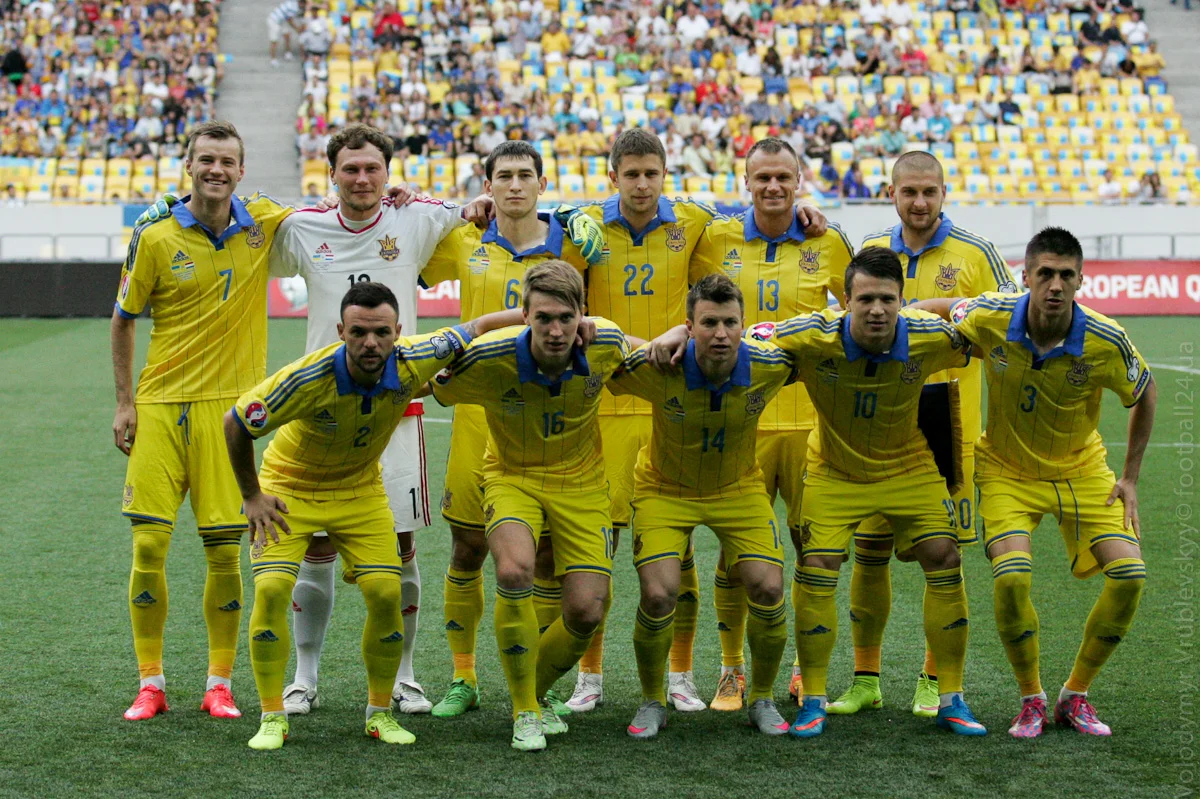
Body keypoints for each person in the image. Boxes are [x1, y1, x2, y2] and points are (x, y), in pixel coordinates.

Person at [563, 128, 828, 714]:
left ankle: (680, 675)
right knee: (600, 547)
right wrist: (479, 206)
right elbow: (547, 248)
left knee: (679, 553)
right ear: (612, 176)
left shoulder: (697, 221)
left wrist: (802, 210)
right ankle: (589, 675)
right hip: (611, 401)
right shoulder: (583, 225)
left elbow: (751, 229)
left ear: (665, 175)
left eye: (650, 174)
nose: (641, 185)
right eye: (630, 174)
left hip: (676, 393)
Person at [225, 282, 510, 750]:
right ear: (341, 331)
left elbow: (478, 327)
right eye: (358, 332)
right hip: (290, 488)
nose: (371, 343)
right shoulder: (306, 377)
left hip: (359, 490)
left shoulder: (417, 356)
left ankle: (379, 714)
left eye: (381, 332)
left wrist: (545, 318)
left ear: (399, 330)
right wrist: (252, 495)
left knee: (385, 593)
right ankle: (272, 716)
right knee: (272, 590)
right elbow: (236, 423)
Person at [923, 227, 1154, 738]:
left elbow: (1145, 391)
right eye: (1045, 273)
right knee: (1011, 578)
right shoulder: (991, 314)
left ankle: (1076, 695)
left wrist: (1131, 477)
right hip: (1007, 471)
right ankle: (1031, 698)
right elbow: (943, 308)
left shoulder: (1106, 338)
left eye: (1066, 275)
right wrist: (895, 314)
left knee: (1130, 576)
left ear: (1081, 280)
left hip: (1081, 470)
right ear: (1025, 276)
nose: (1055, 285)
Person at [754, 246, 987, 738]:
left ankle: (951, 697)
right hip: (834, 470)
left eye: (887, 299)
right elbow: (744, 339)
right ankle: (813, 699)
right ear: (845, 301)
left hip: (908, 467)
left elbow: (990, 337)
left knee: (945, 557)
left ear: (903, 300)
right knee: (817, 565)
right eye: (865, 300)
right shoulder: (810, 334)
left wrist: (956, 307)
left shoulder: (926, 336)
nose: (877, 310)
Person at [112, 121, 292, 722]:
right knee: (148, 544)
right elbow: (123, 317)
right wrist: (124, 402)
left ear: (241, 170)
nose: (216, 169)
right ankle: (151, 683)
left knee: (223, 553)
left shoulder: (263, 221)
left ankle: (220, 683)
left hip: (228, 414)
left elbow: (340, 209)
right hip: (161, 406)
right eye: (206, 160)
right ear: (189, 165)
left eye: (226, 161)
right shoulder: (155, 234)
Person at [416, 141, 599, 719]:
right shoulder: (463, 239)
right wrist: (431, 203)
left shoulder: (575, 242)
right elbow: (405, 244)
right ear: (487, 185)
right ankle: (463, 677)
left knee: (543, 558)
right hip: (477, 417)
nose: (515, 185)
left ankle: (537, 685)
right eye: (504, 176)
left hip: (545, 419)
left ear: (542, 184)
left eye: (525, 175)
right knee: (467, 546)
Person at [833, 152, 1017, 720]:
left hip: (945, 420)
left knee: (944, 557)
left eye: (929, 191)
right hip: (877, 420)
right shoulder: (871, 250)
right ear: (891, 193)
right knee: (869, 552)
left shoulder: (976, 252)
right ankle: (866, 679)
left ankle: (937, 682)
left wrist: (945, 308)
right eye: (908, 191)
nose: (919, 201)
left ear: (943, 193)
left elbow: (1012, 318)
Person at [429, 262, 635, 751]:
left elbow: (656, 355)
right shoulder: (490, 357)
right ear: (524, 316)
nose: (556, 330)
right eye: (543, 318)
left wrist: (678, 335)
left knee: (587, 610)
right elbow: (430, 383)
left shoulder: (606, 342)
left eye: (566, 317)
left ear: (583, 314)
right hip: (512, 477)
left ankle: (535, 693)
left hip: (582, 485)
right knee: (514, 570)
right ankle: (524, 711)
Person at [688, 138, 853, 710]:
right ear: (747, 181)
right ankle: (731, 669)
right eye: (763, 177)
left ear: (800, 180)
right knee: (735, 551)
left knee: (814, 550)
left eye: (784, 176)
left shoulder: (828, 240)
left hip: (811, 423)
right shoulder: (717, 238)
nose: (774, 187)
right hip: (741, 423)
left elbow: (858, 315)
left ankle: (807, 669)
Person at [613, 274, 793, 739]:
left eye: (730, 322)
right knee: (659, 594)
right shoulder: (660, 367)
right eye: (708, 323)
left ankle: (762, 698)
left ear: (744, 325)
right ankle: (652, 701)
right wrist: (654, 340)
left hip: (738, 489)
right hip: (664, 490)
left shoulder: (771, 364)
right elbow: (601, 349)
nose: (721, 333)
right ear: (689, 327)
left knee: (769, 589)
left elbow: (823, 341)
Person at [268, 0, 305, 67]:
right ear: (301, 3)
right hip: (274, 21)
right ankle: (273, 59)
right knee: (274, 41)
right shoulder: (294, 7)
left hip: (282, 20)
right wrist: (297, 29)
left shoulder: (294, 3)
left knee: (287, 36)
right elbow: (289, 20)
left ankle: (288, 54)